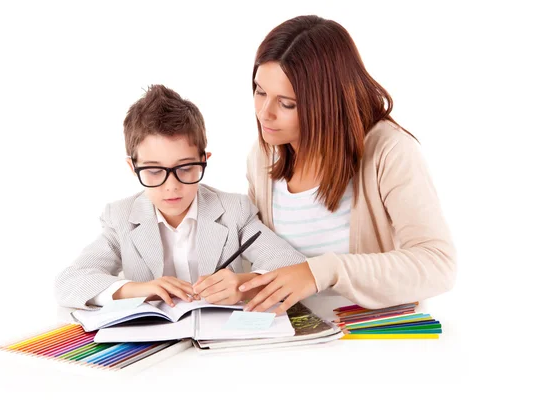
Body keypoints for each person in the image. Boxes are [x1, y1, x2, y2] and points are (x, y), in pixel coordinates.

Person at [239, 15, 456, 315]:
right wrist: (247, 283)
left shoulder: (389, 152)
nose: (264, 113)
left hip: (366, 341)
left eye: (286, 103)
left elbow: (438, 264)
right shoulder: (263, 157)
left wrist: (324, 270)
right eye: (260, 91)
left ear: (326, 102)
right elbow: (268, 258)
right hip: (290, 338)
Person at [55, 84, 305, 310]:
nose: (171, 186)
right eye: (154, 171)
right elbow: (69, 282)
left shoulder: (234, 210)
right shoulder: (121, 218)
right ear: (133, 168)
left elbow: (292, 264)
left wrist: (243, 283)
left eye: (185, 168)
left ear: (203, 162)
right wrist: (141, 290)